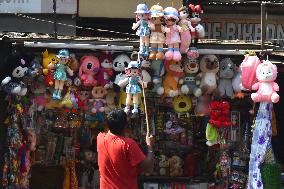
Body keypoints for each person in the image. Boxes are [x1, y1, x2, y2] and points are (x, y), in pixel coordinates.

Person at [97, 108, 154, 189]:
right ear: (125, 125)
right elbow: (148, 167)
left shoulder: (100, 138)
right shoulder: (128, 144)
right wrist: (150, 145)